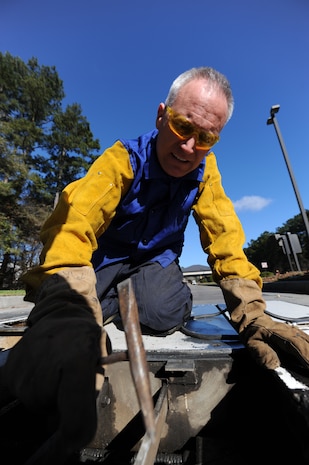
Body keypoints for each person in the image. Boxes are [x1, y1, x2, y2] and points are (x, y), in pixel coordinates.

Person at [2, 67, 309, 463]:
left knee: (163, 312)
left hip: (155, 262)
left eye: (206, 138)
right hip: (106, 259)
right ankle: (96, 305)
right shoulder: (121, 160)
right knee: (78, 308)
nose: (188, 147)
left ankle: (110, 301)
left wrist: (253, 315)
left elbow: (225, 239)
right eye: (182, 126)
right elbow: (71, 225)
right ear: (162, 115)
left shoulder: (205, 172)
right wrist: (65, 312)